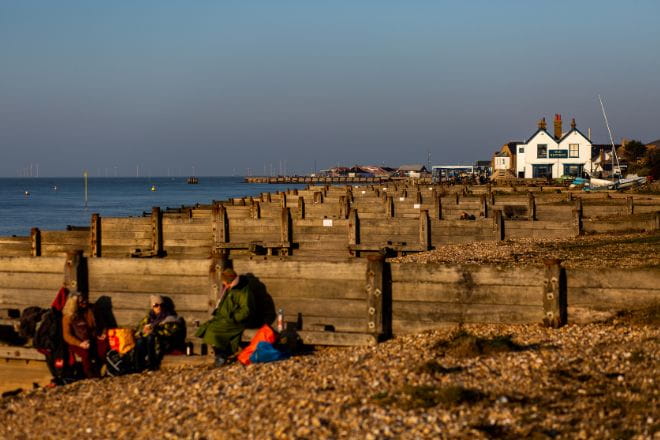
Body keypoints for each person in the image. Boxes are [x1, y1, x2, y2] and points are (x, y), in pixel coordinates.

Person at [196, 268, 255, 367]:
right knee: (206, 327)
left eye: (225, 283)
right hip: (226, 319)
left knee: (213, 331)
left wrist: (233, 318)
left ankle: (221, 356)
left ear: (230, 281)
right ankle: (221, 354)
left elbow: (246, 311)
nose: (225, 285)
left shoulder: (243, 291)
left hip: (238, 322)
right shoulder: (230, 289)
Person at [61, 292, 107, 378]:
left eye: (85, 300)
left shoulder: (92, 310)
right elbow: (66, 335)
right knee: (86, 353)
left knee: (103, 348)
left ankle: (101, 368)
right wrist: (80, 343)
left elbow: (102, 324)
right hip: (77, 341)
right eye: (81, 301)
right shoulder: (68, 317)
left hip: (93, 337)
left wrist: (103, 333)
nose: (85, 302)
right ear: (74, 304)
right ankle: (90, 375)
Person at [133, 295, 185, 370]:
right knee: (140, 341)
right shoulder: (148, 318)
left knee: (151, 338)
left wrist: (155, 331)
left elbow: (171, 332)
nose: (159, 307)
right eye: (156, 305)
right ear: (152, 307)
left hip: (163, 342)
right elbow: (137, 331)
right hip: (149, 341)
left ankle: (152, 365)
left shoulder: (170, 318)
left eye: (161, 305)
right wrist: (143, 331)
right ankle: (138, 367)